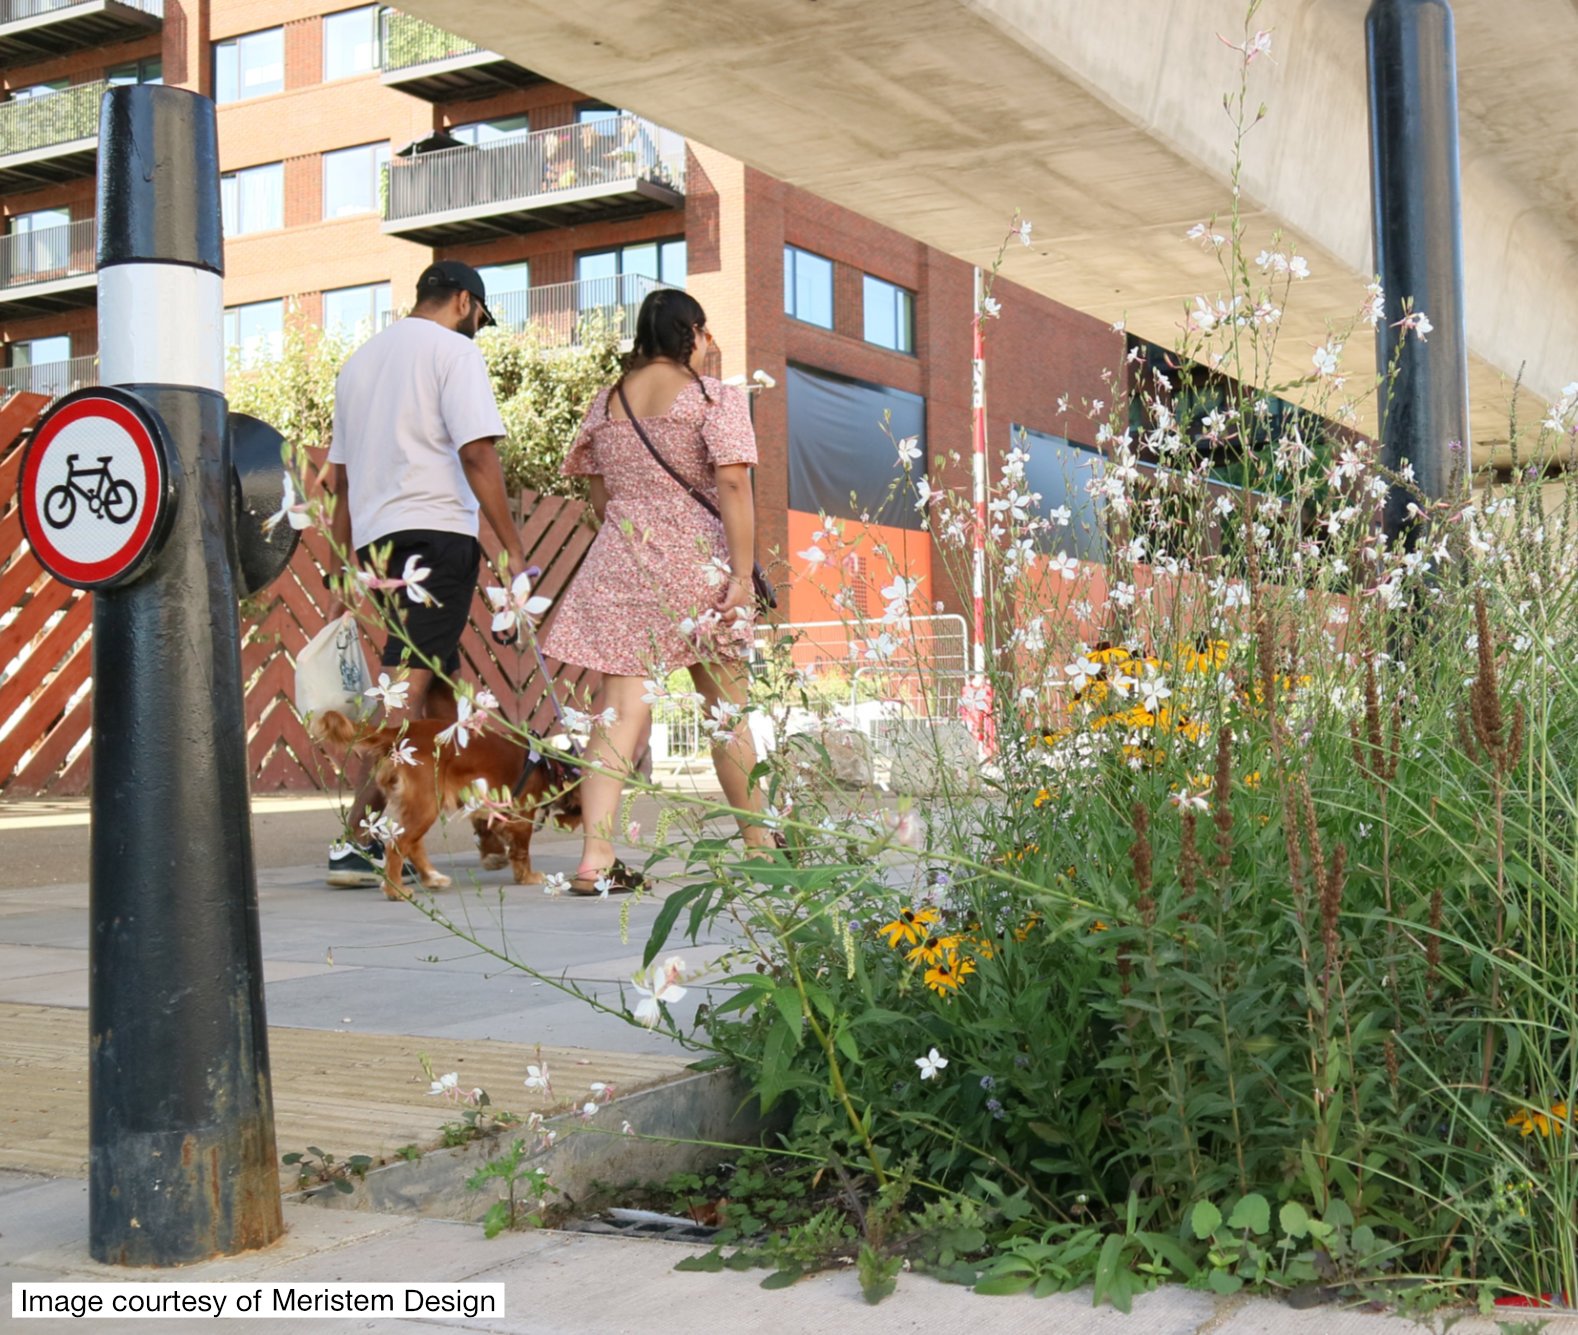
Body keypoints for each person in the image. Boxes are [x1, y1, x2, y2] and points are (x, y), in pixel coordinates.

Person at [542, 288, 773, 895]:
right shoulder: (711, 398)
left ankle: (595, 858)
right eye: (705, 335)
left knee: (619, 712)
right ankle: (759, 845)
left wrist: (630, 529)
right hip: (699, 567)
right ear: (690, 333)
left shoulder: (607, 402)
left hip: (623, 555)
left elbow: (597, 491)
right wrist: (742, 575)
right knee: (725, 710)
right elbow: (732, 484)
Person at [322, 259, 529, 887]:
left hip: (380, 543)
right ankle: (361, 840)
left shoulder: (357, 364)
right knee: (409, 690)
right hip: (437, 532)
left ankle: (491, 831)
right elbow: (477, 452)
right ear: (465, 302)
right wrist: (512, 547)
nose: (476, 332)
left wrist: (344, 572)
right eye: (479, 320)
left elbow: (340, 481)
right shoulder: (454, 353)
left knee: (441, 694)